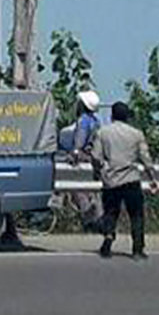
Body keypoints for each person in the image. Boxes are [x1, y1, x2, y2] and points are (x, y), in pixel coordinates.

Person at [89, 101, 158, 260]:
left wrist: (97, 172)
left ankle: (108, 238)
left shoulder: (103, 133)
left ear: (112, 115)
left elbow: (96, 157)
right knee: (136, 215)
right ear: (127, 116)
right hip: (131, 179)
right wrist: (152, 178)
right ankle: (137, 249)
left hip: (111, 180)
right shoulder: (136, 134)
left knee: (111, 212)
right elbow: (145, 158)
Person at [65, 90, 103, 232]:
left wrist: (73, 154)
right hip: (94, 159)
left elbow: (79, 143)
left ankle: (89, 220)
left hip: (83, 159)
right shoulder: (96, 121)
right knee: (94, 192)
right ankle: (98, 220)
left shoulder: (83, 121)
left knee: (78, 189)